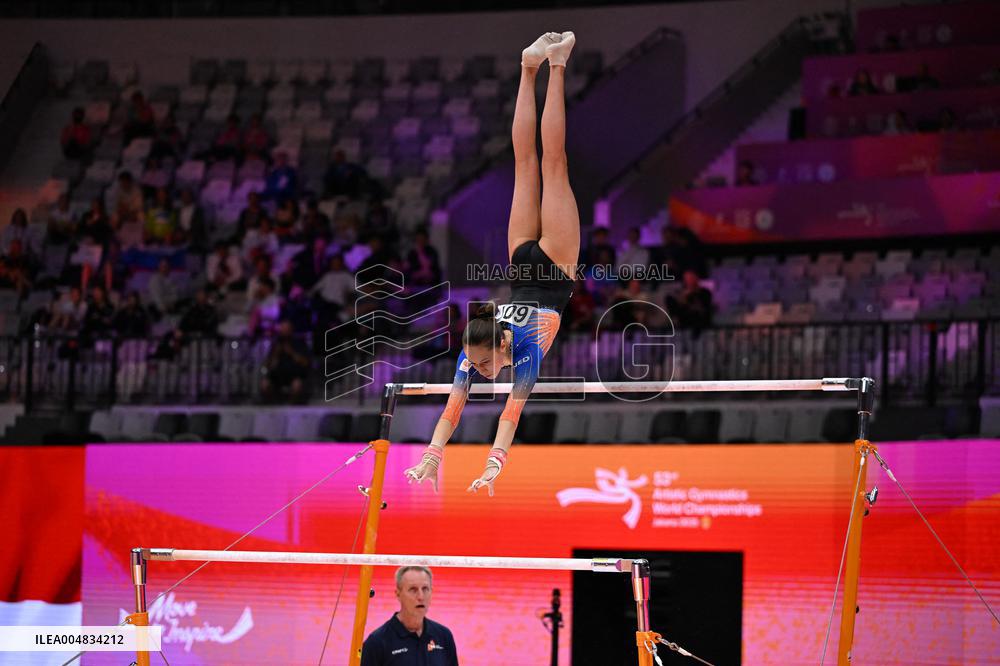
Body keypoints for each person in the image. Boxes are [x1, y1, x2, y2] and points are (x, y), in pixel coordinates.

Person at [404, 31, 579, 496]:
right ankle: (528, 67)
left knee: (546, 164)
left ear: (500, 344)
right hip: (521, 266)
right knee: (531, 164)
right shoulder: (482, 340)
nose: (479, 371)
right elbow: (454, 412)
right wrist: (430, 457)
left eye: (480, 363)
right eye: (479, 364)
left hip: (551, 268)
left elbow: (507, 416)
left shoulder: (518, 353)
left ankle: (552, 66)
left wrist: (492, 465)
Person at [360, 566, 458, 666]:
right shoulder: (377, 643)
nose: (421, 596)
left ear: (431, 592)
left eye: (425, 589)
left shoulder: (444, 636)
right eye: (413, 589)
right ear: (398, 594)